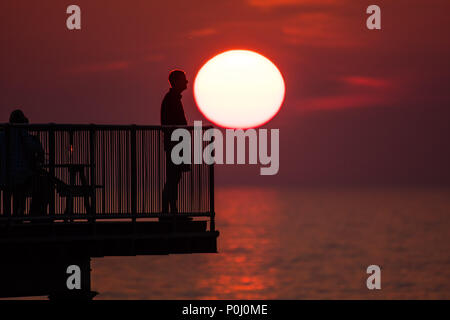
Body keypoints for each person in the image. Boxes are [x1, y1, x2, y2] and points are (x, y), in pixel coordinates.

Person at [0, 110, 51, 217]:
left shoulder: (3, 134)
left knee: (10, 192)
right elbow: (36, 149)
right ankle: (34, 214)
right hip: (20, 176)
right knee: (43, 182)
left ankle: (8, 217)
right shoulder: (22, 134)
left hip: (4, 176)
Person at [161, 70, 189, 213]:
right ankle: (169, 210)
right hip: (175, 145)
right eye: (184, 80)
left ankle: (171, 209)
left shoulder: (173, 98)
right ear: (176, 82)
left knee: (175, 177)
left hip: (177, 144)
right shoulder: (171, 99)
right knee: (173, 177)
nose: (186, 82)